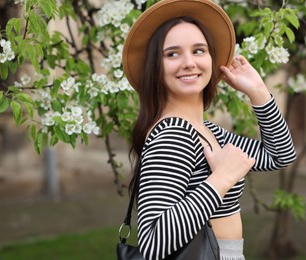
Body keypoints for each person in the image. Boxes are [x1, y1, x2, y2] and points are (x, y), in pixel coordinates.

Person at [122, 0, 296, 259]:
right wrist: (221, 179)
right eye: (172, 54)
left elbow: (280, 155)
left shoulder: (207, 130)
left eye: (199, 50)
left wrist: (258, 92)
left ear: (212, 59)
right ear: (155, 68)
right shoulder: (173, 134)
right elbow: (152, 243)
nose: (189, 62)